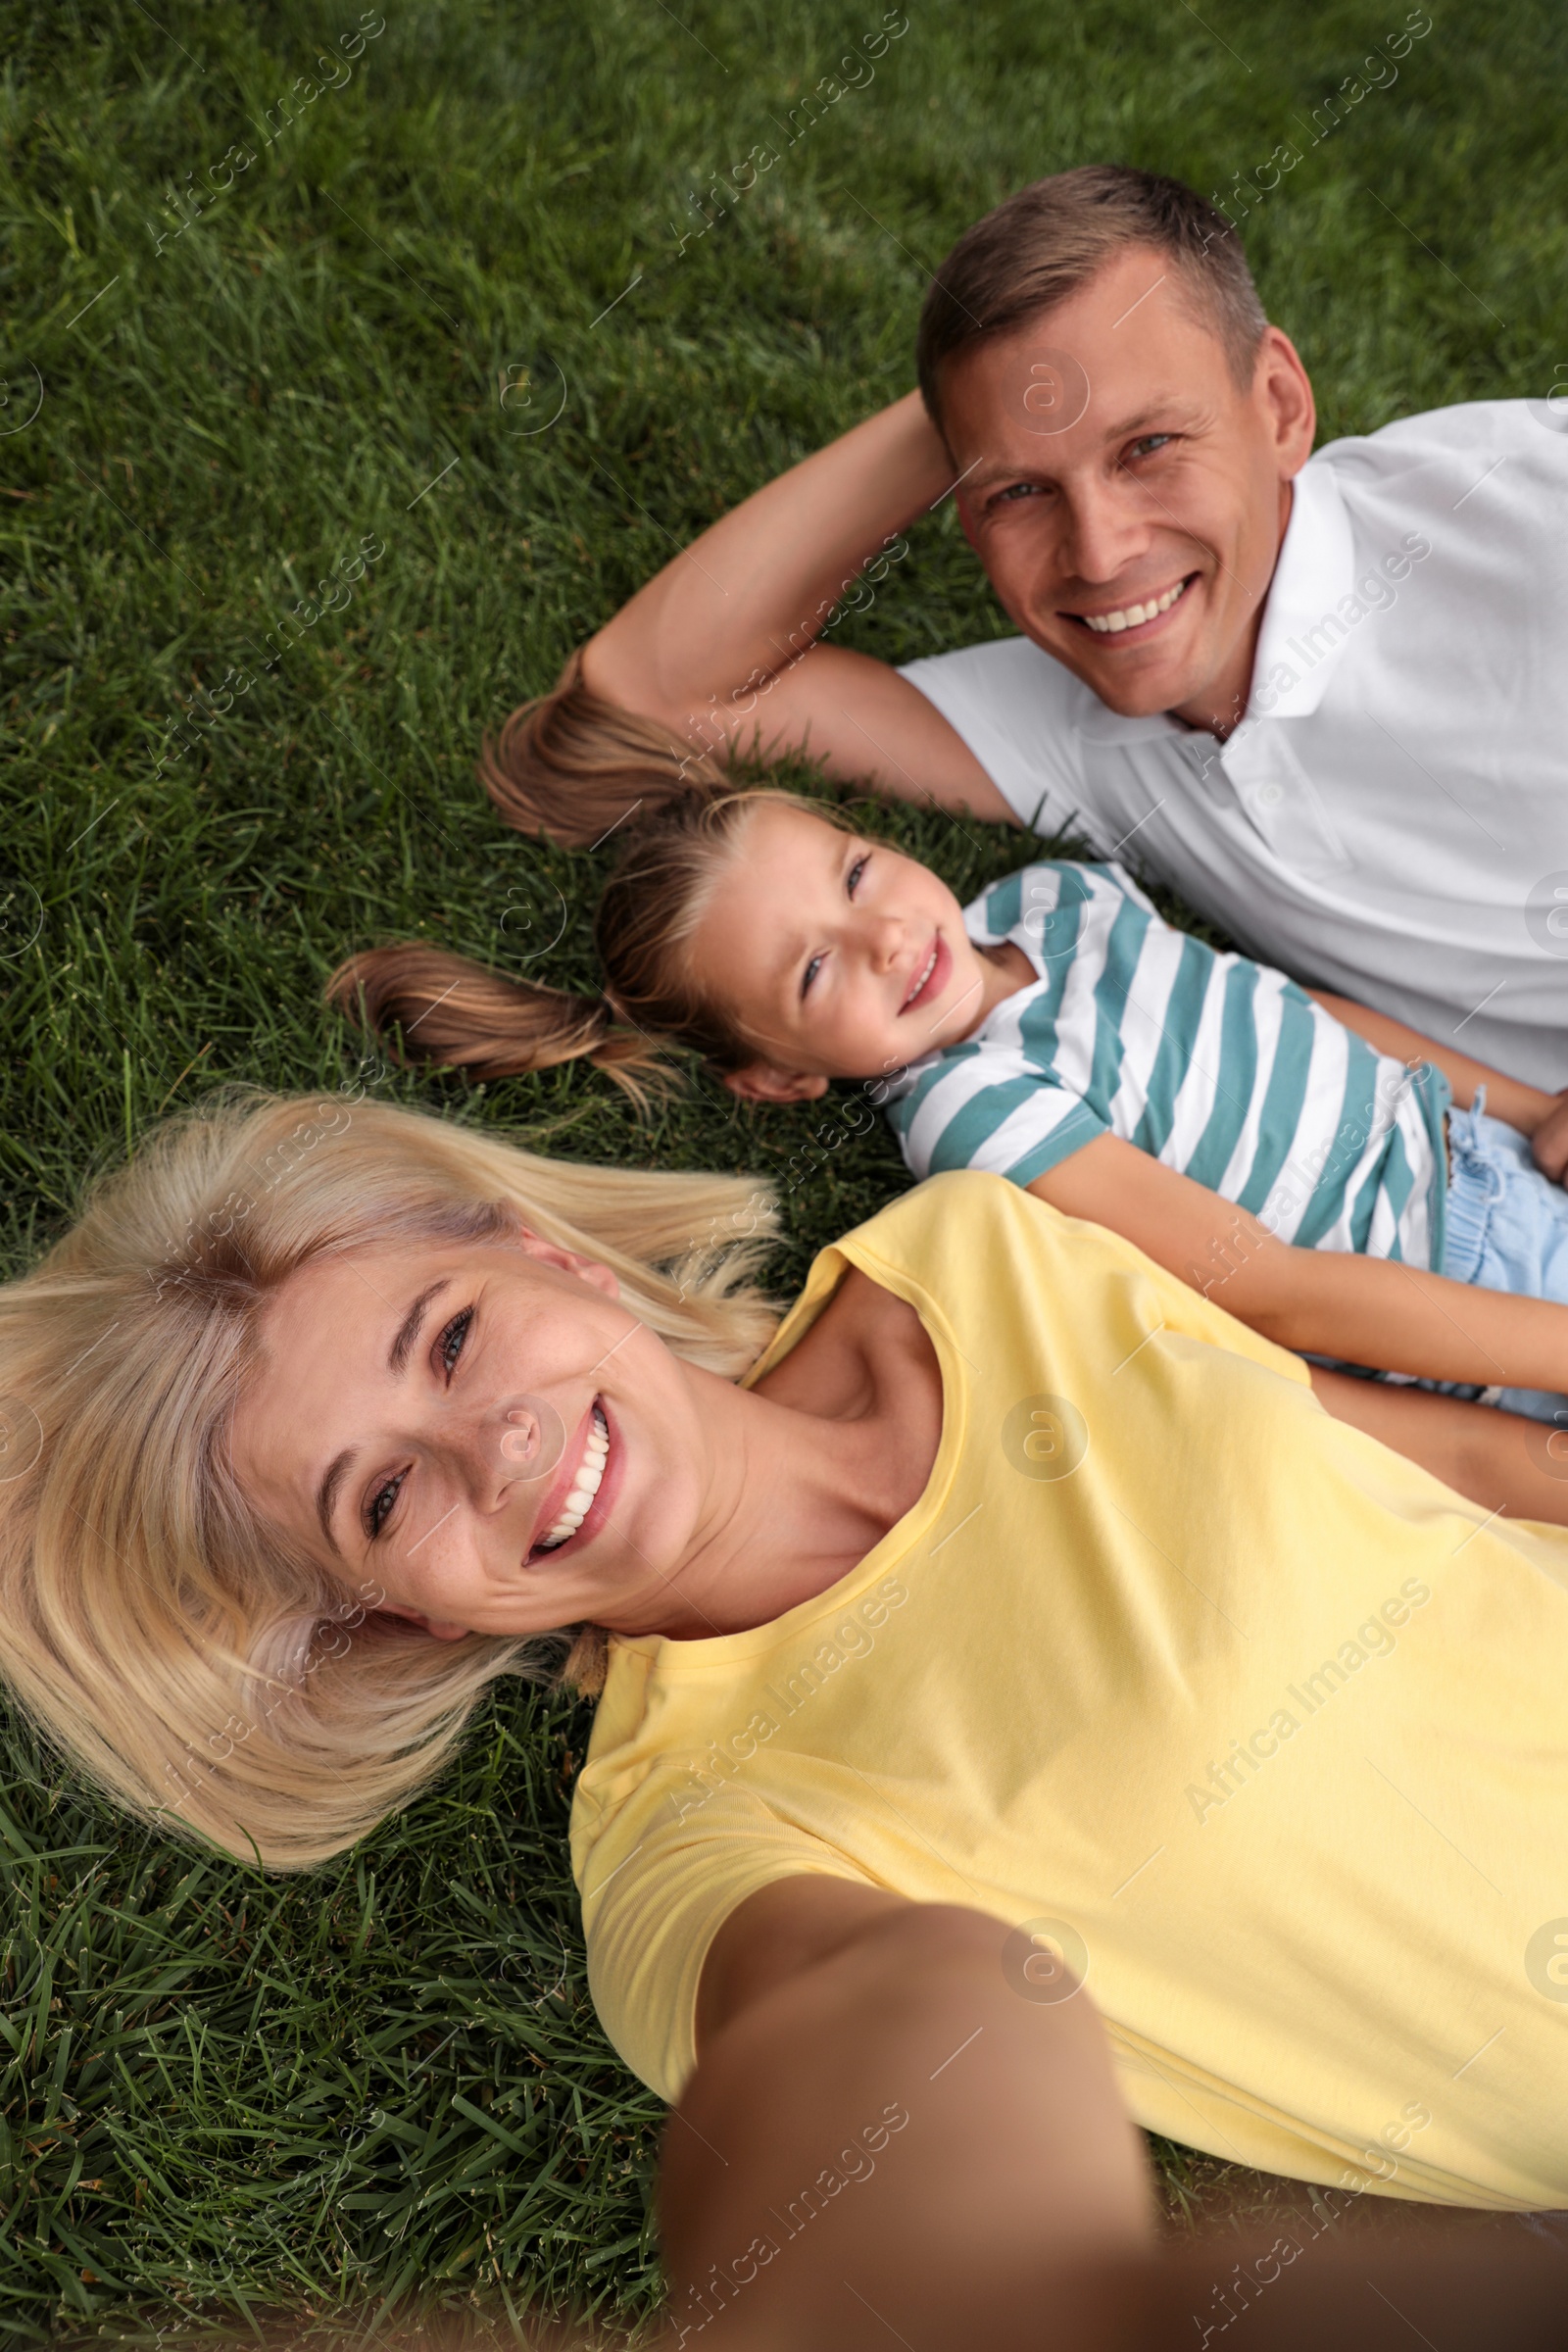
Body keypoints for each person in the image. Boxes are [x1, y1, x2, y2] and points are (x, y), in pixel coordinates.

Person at [5, 1084, 1568, 2346]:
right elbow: (899, 2020)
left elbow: (1437, 1470)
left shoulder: (979, 1252)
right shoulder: (688, 1837)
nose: (506, 1447)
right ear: (405, 1614)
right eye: (389, 1493)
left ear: (550, 1256)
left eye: (454, 1340)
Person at [499, 164, 1568, 1090]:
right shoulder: (1074, 723)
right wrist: (981, 405)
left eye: (1147, 444)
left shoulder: (1522, 507)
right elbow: (660, 688)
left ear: (1281, 407)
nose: (1098, 555)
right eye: (1016, 493)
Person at [330, 787, 1568, 1433]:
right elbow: (1262, 1288)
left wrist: (1526, 1106)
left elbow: (1300, 1008)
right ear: (781, 1077)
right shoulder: (970, 1114)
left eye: (856, 872)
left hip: (1484, 1150)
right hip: (1448, 1290)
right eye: (812, 972)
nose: (880, 936)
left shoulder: (1056, 901)